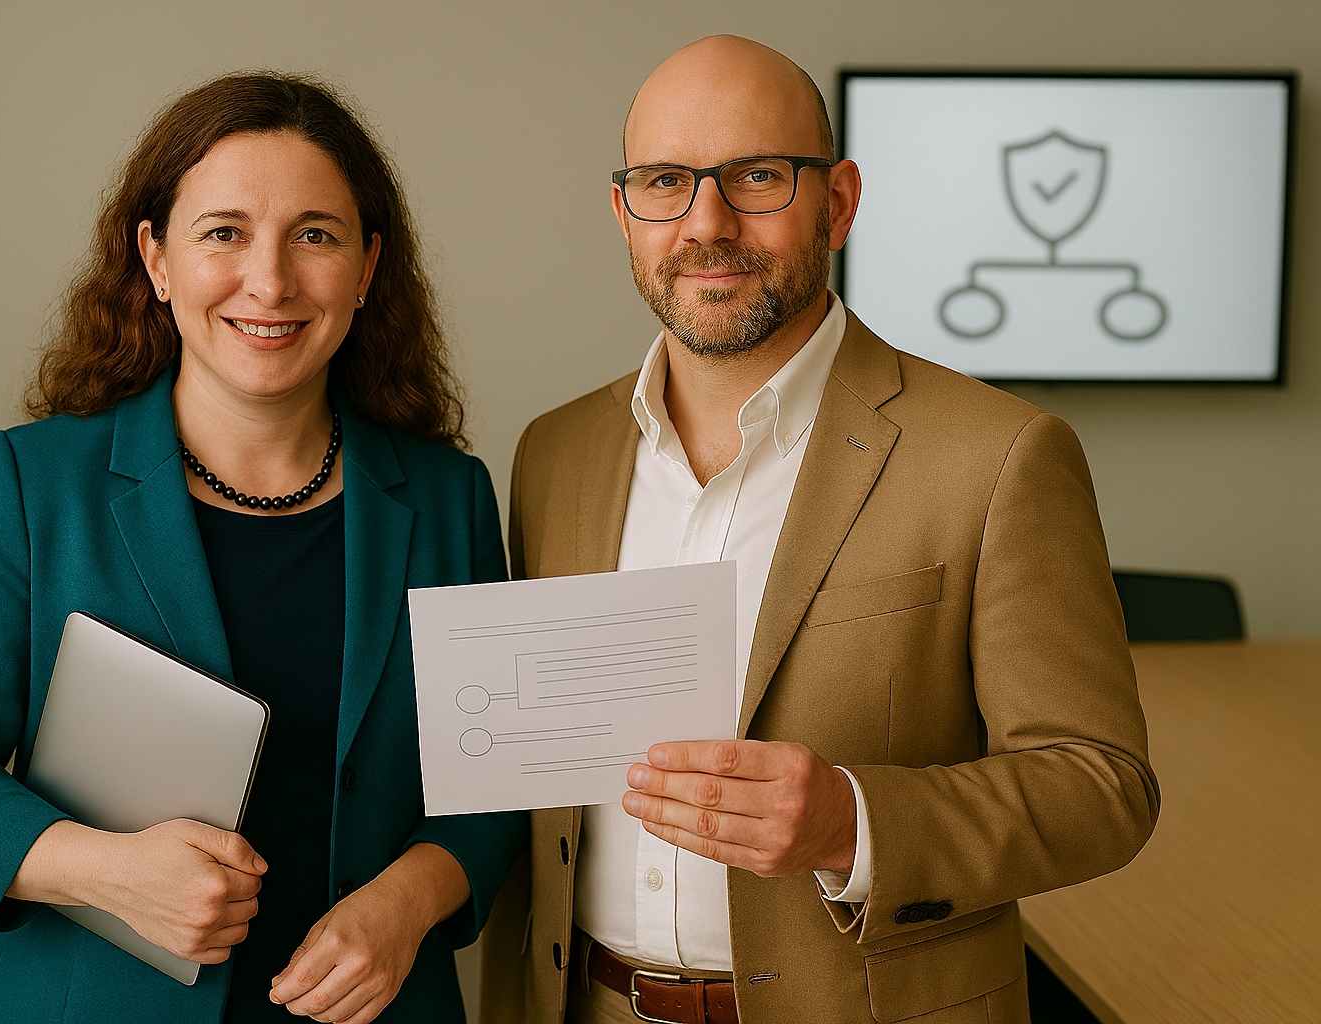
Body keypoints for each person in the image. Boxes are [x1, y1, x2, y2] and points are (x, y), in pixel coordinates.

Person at [479, 35, 1158, 1024]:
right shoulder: (553, 454)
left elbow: (1104, 786)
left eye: (757, 176)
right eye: (666, 181)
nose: (707, 223)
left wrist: (856, 821)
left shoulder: (1002, 454)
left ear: (838, 200)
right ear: (625, 211)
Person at [0, 72, 525, 1024]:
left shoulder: (449, 495)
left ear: (367, 267)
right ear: (157, 258)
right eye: (224, 232)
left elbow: (492, 793)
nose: (270, 281)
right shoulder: (31, 482)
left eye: (315, 235)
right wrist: (109, 871)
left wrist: (405, 904)